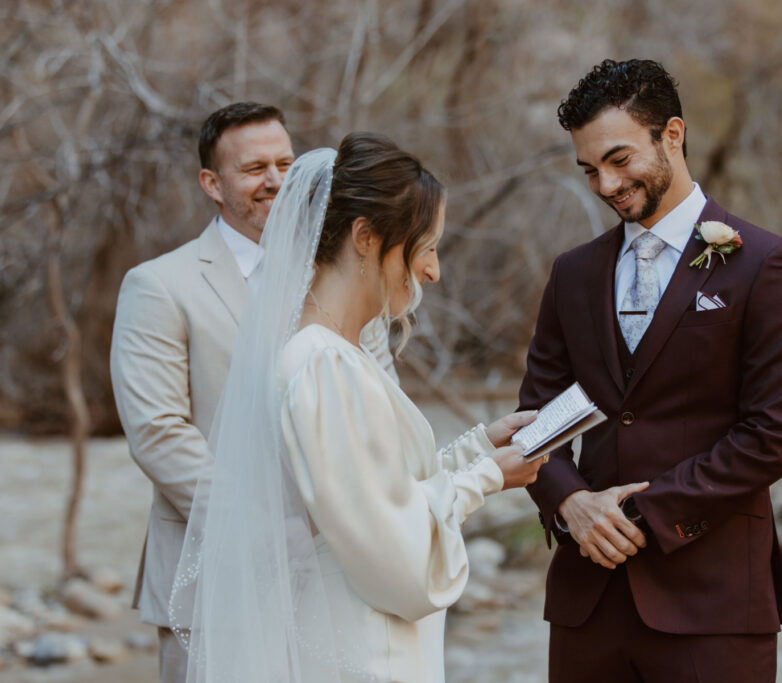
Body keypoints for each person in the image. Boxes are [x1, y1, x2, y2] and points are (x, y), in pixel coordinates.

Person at [169, 134, 546, 683]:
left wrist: (479, 446)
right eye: (426, 245)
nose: (434, 270)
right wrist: (486, 478)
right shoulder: (320, 366)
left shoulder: (339, 354)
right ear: (366, 238)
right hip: (366, 649)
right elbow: (393, 552)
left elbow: (382, 490)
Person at [518, 59, 782, 682]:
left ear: (672, 135)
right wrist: (570, 503)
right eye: (589, 170)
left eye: (619, 160)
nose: (604, 184)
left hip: (710, 598)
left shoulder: (768, 264)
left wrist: (638, 516)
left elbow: (775, 436)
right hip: (587, 598)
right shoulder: (572, 274)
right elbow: (537, 419)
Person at [109, 102, 395, 683]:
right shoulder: (160, 286)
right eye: (254, 168)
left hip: (340, 570)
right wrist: (270, 530)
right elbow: (159, 434)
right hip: (214, 573)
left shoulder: (345, 279)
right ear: (212, 184)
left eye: (286, 162)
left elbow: (381, 405)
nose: (276, 181)